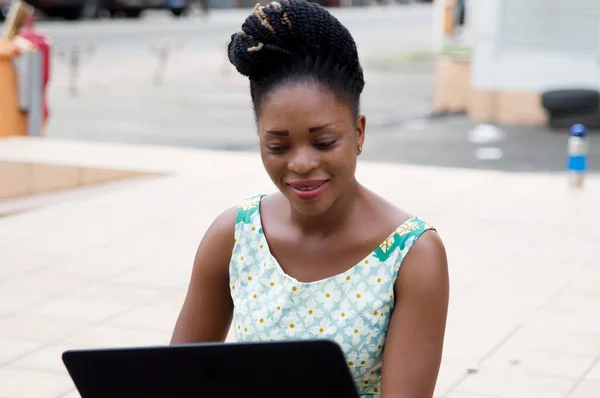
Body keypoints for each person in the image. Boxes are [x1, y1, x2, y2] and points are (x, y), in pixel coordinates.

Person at [171, 1, 449, 396]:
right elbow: (175, 379)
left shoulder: (412, 256)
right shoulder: (234, 236)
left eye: (323, 142)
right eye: (277, 146)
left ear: (359, 133)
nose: (301, 164)